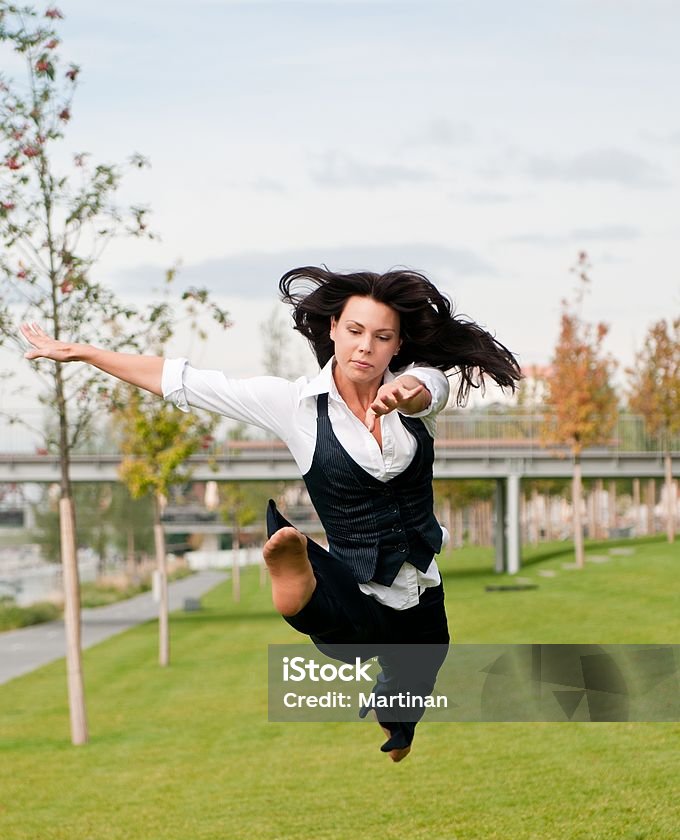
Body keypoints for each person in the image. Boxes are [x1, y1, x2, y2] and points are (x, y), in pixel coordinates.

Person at [20, 265, 521, 762]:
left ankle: (397, 727)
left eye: (382, 337)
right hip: (354, 582)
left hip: (420, 582)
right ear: (332, 330)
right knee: (345, 634)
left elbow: (425, 388)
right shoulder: (293, 405)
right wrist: (83, 353)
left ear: (396, 345)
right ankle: (296, 579)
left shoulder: (420, 386)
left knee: (426, 656)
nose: (366, 346)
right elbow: (186, 382)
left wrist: (405, 393)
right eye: (354, 331)